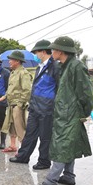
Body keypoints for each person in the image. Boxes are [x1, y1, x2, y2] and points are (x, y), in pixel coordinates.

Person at [32, 36, 93, 185]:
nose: (51, 52)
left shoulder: (76, 67)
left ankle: (50, 182)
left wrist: (84, 112)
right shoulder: (64, 65)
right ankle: (69, 176)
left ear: (60, 51)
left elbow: (85, 93)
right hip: (63, 113)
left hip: (71, 114)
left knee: (62, 145)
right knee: (67, 144)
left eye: (53, 50)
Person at [9, 40, 60, 169]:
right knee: (30, 134)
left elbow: (59, 88)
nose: (36, 55)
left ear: (43, 52)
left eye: (37, 52)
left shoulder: (55, 67)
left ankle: (44, 161)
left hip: (47, 108)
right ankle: (23, 156)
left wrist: (53, 105)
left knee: (45, 136)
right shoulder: (39, 67)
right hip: (35, 107)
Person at [0, 50, 32, 152]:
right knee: (11, 126)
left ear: (17, 61)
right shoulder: (13, 72)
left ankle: (23, 150)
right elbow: (10, 89)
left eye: (11, 60)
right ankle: (13, 146)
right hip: (11, 104)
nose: (9, 62)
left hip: (18, 104)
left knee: (19, 127)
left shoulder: (23, 73)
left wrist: (20, 104)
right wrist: (3, 97)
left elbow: (27, 90)